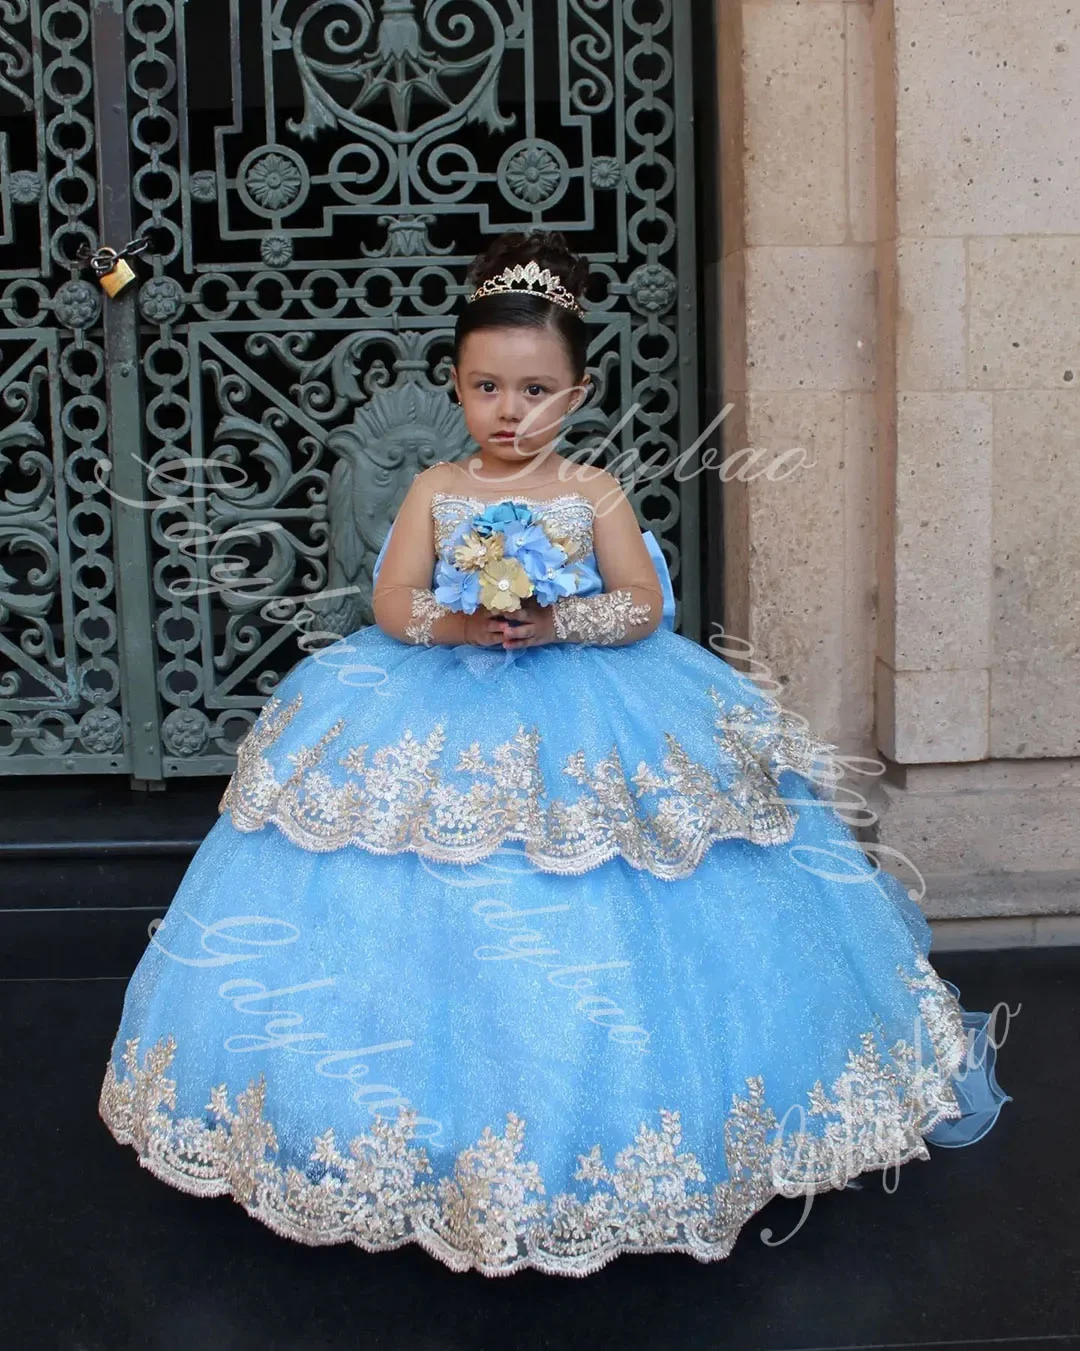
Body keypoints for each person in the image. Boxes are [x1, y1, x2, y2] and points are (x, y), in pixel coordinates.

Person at [98, 229, 1011, 1279]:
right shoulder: (436, 489)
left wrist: (556, 618)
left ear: (574, 396)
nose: (509, 409)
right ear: (456, 385)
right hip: (439, 693)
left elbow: (643, 604)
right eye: (487, 385)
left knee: (624, 866)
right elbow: (391, 601)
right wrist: (458, 620)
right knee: (420, 882)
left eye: (534, 389)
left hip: (591, 703)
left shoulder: (595, 493)